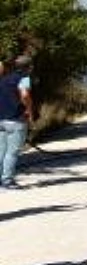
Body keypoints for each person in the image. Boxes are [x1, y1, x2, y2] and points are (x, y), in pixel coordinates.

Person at [0, 56, 34, 189]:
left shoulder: (4, 78)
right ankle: (7, 181)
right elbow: (25, 95)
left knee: (1, 151)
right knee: (12, 152)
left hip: (1, 119)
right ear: (29, 67)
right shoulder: (24, 78)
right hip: (16, 120)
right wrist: (29, 110)